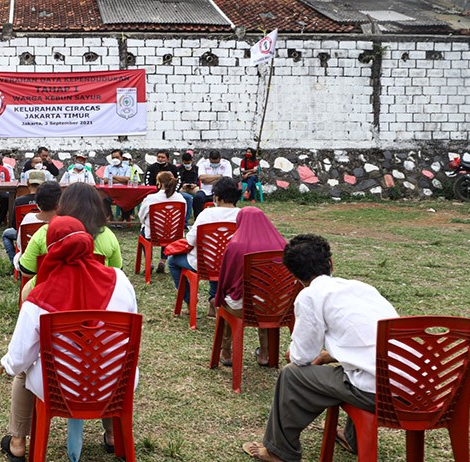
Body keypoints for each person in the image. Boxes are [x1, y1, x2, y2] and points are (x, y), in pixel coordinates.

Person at [241, 234, 399, 462]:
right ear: (331, 263)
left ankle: (279, 451)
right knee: (357, 370)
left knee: (292, 375)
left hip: (379, 393)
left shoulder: (310, 296)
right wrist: (328, 355)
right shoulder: (363, 288)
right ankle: (352, 437)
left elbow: (300, 357)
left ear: (294, 276)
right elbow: (366, 341)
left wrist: (296, 354)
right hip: (416, 386)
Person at [0, 216, 138, 462]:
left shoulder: (39, 295)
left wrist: (7, 364)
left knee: (22, 370)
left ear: (51, 249)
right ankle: (113, 436)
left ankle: (18, 443)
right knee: (107, 355)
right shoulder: (120, 281)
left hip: (60, 389)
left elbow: (19, 359)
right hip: (116, 383)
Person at [214, 207, 285, 367]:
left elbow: (226, 279)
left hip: (243, 307)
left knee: (229, 302)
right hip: (274, 306)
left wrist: (219, 297)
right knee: (265, 295)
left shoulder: (235, 245)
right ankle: (265, 354)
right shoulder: (281, 244)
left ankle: (226, 351)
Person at [18, 182, 122, 280]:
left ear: (62, 205)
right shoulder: (107, 235)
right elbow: (117, 271)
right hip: (96, 295)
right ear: (98, 206)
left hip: (54, 294)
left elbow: (27, 271)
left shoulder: (46, 231)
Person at [168, 177, 240, 310]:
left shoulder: (207, 214)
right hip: (231, 266)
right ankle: (214, 298)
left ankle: (190, 300)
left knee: (172, 261)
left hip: (204, 264)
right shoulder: (242, 215)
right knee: (220, 259)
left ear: (216, 197)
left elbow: (190, 240)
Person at [138, 171, 186, 274]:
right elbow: (183, 217)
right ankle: (163, 261)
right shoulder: (181, 199)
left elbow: (141, 216)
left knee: (146, 230)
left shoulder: (151, 199)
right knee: (168, 227)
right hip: (174, 234)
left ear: (159, 183)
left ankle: (149, 262)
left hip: (152, 234)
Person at [11, 181, 62, 268]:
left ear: (37, 202)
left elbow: (20, 245)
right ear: (60, 202)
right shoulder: (65, 222)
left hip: (30, 264)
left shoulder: (28, 219)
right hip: (57, 264)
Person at [2, 170, 47, 264]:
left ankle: (14, 262)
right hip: (45, 234)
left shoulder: (19, 201)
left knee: (6, 234)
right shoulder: (48, 200)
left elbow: (14, 225)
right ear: (44, 185)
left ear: (27, 183)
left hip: (23, 235)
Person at [102, 149, 132, 221]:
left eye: (117, 157)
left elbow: (127, 180)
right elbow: (105, 180)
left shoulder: (127, 168)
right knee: (104, 199)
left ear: (121, 157)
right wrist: (121, 180)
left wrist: (112, 176)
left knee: (129, 199)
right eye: (113, 158)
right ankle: (110, 215)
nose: (115, 159)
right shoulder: (108, 168)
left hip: (123, 191)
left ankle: (124, 217)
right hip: (111, 191)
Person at [177, 150, 199, 227]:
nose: (187, 164)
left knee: (199, 194)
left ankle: (197, 213)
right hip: (183, 187)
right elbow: (178, 179)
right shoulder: (179, 169)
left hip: (193, 187)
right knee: (179, 194)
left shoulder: (196, 168)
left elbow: (197, 178)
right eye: (185, 163)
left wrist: (195, 184)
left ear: (191, 161)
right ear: (182, 161)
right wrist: (183, 184)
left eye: (188, 162)